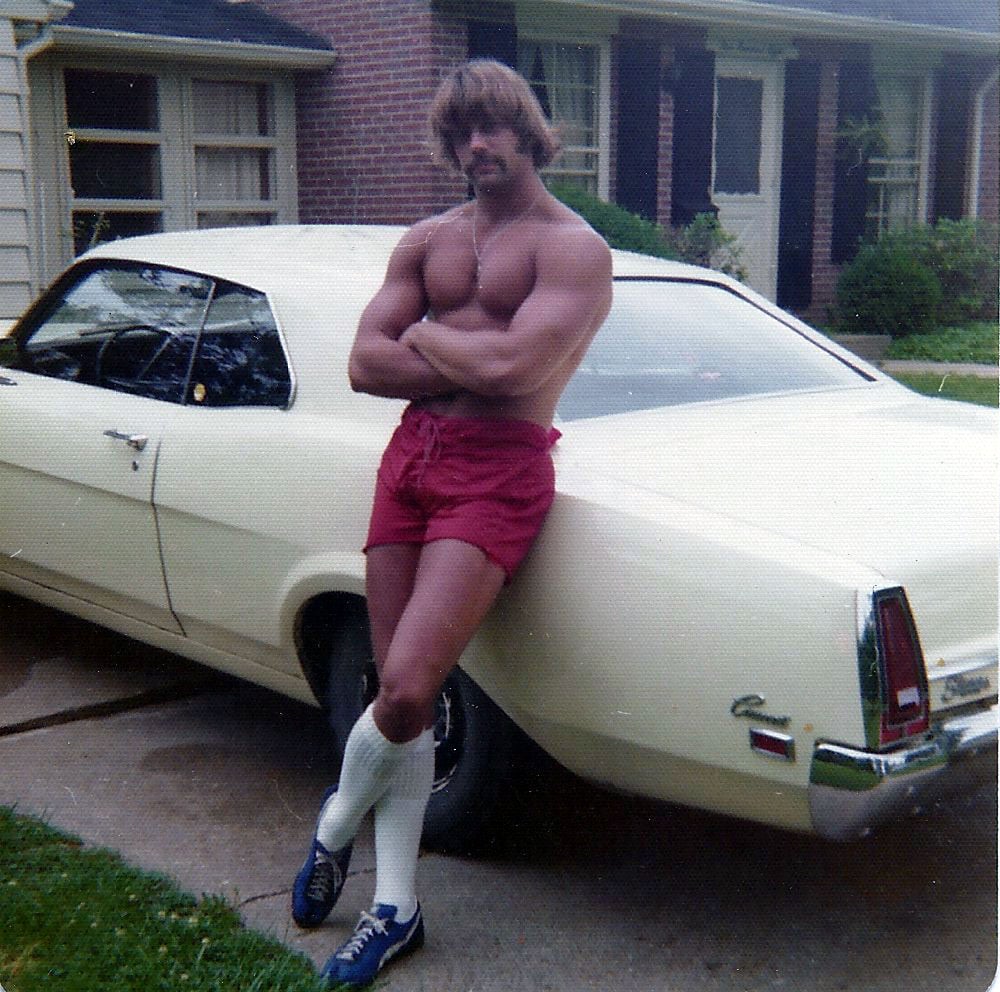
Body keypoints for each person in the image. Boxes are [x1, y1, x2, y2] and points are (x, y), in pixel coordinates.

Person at [291, 58, 613, 988]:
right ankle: (396, 911)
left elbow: (516, 375)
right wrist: (459, 352)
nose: (479, 143)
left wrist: (425, 337)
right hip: (411, 462)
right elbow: (361, 364)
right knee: (406, 697)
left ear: (530, 132)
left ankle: (333, 824)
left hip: (497, 475)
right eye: (463, 128)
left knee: (399, 695)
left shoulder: (571, 248)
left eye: (496, 125)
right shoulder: (424, 240)